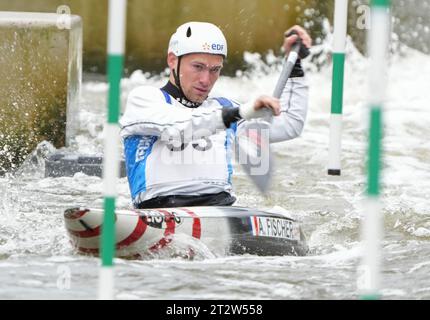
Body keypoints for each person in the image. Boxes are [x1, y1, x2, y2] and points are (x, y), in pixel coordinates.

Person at [120, 21, 311, 209]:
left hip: (221, 208)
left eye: (215, 70)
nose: (206, 80)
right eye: (198, 67)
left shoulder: (225, 107)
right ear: (172, 60)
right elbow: (177, 128)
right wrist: (240, 113)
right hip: (157, 210)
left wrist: (295, 66)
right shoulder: (145, 99)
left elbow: (290, 125)